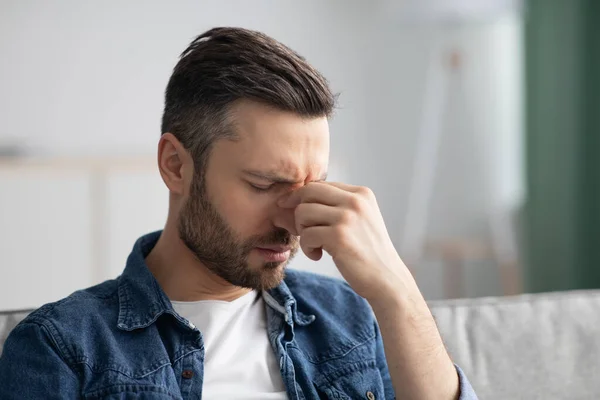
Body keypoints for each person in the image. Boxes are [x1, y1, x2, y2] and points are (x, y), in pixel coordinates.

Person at [0, 27, 477, 399]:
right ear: (175, 166)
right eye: (265, 185)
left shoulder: (350, 318)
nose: (292, 219)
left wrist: (395, 289)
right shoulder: (63, 349)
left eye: (312, 187)